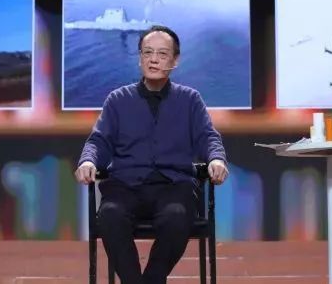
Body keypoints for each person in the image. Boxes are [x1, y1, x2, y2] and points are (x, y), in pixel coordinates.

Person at [75, 25, 229, 284]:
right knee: (110, 215)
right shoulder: (118, 99)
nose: (153, 59)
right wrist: (88, 160)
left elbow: (208, 137)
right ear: (140, 58)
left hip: (173, 186)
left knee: (177, 216)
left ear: (175, 60)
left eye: (162, 53)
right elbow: (99, 141)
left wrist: (216, 159)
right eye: (147, 53)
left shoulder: (190, 100)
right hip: (125, 186)